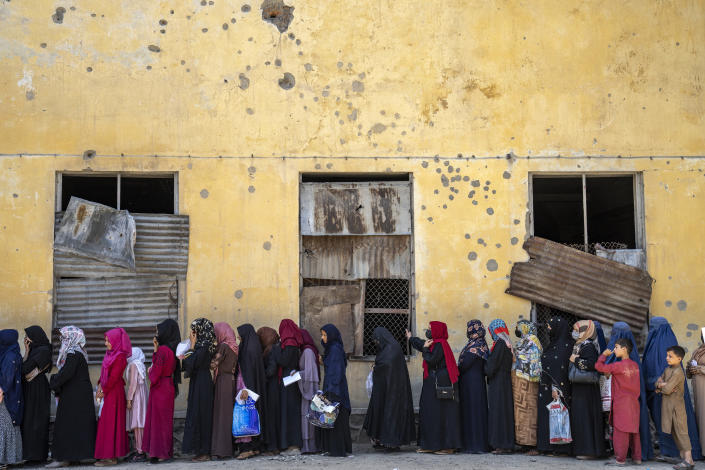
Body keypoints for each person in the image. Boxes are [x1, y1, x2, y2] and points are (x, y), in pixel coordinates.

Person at [643, 317, 702, 461]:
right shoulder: (657, 345)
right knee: (666, 424)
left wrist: (658, 384)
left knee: (678, 426)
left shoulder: (668, 350)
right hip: (658, 394)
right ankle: (669, 452)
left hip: (671, 395)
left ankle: (687, 458)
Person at [406, 321, 462, 454]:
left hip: (440, 384)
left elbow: (431, 359)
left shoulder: (440, 345)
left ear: (437, 331)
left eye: (430, 329)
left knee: (441, 415)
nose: (428, 330)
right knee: (430, 413)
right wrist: (411, 338)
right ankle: (430, 444)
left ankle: (447, 446)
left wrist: (425, 349)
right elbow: (423, 344)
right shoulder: (435, 343)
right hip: (433, 383)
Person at [48, 326, 96, 467]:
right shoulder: (77, 352)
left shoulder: (73, 353)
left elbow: (67, 373)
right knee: (74, 424)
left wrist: (53, 380)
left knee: (67, 424)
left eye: (65, 337)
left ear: (72, 338)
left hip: (75, 395)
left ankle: (63, 458)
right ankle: (72, 456)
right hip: (76, 394)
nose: (62, 340)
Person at [363, 327, 415, 452]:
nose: (377, 343)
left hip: (394, 390)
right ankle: (382, 440)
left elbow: (387, 365)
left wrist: (377, 368)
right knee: (383, 412)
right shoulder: (387, 348)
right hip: (386, 389)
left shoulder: (392, 349)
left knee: (391, 414)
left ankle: (392, 442)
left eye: (377, 340)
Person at [606, 321, 652, 461]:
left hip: (620, 399)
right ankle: (638, 456)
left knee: (621, 428)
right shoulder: (634, 358)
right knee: (635, 427)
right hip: (635, 399)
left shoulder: (615, 355)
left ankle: (621, 458)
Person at [595, 338, 642, 466]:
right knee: (633, 431)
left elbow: (599, 367)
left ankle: (620, 459)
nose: (614, 350)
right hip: (633, 402)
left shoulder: (618, 366)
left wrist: (604, 355)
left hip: (621, 402)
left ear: (624, 349)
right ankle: (637, 458)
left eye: (616, 347)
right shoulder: (635, 365)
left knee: (620, 431)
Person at [143, 320, 179, 463]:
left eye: (158, 332)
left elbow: (153, 376)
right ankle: (166, 453)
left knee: (157, 422)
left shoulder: (163, 350)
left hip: (160, 389)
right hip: (168, 386)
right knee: (165, 422)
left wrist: (155, 352)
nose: (157, 335)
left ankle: (157, 454)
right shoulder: (172, 349)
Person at [536, 316, 574, 455]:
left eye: (550, 327)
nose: (548, 330)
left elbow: (561, 368)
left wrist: (556, 388)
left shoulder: (566, 346)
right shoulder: (552, 345)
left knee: (559, 417)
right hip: (546, 388)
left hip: (558, 389)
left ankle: (561, 448)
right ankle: (546, 446)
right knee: (547, 417)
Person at [94, 328, 131, 466]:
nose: (106, 343)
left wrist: (103, 390)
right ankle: (107, 455)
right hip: (107, 391)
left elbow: (114, 377)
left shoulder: (120, 356)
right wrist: (99, 386)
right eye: (106, 340)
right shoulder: (110, 354)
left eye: (108, 341)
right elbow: (104, 373)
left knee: (111, 423)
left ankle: (112, 457)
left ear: (115, 341)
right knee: (106, 422)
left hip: (114, 393)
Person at [568, 320, 604, 459]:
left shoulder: (588, 346)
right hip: (580, 387)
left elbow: (592, 365)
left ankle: (589, 451)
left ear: (585, 331)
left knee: (585, 418)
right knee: (580, 418)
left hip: (587, 390)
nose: (574, 332)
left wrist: (575, 360)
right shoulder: (579, 345)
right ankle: (582, 449)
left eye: (577, 329)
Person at [181, 318, 216, 462]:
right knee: (197, 414)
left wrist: (192, 345)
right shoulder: (202, 346)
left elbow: (188, 363)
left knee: (202, 416)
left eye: (195, 330)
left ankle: (205, 452)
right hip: (199, 382)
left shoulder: (204, 347)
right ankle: (200, 451)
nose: (192, 333)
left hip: (202, 384)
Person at [655, 346, 695, 470]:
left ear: (679, 358)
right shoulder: (667, 370)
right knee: (675, 432)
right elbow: (657, 384)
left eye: (670, 356)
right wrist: (662, 384)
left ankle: (689, 460)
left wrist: (663, 385)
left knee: (681, 432)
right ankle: (683, 457)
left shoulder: (679, 372)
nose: (667, 358)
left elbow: (666, 390)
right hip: (668, 407)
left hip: (677, 408)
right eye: (667, 355)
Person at [318, 324, 352, 457]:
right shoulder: (331, 349)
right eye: (322, 334)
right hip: (333, 388)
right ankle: (334, 449)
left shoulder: (335, 349)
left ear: (331, 335)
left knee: (335, 420)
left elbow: (336, 372)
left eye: (325, 335)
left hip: (335, 390)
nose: (322, 337)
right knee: (332, 420)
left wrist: (331, 393)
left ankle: (338, 450)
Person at [235, 324, 267, 460]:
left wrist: (245, 390)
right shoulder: (251, 347)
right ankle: (255, 447)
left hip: (246, 389)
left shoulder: (249, 350)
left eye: (240, 334)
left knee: (244, 418)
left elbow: (248, 373)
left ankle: (247, 448)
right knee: (250, 416)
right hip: (248, 388)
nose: (238, 337)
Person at [21, 326, 52, 463]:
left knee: (36, 421)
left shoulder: (43, 350)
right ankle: (29, 455)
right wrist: (27, 351)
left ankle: (37, 456)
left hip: (38, 389)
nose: (26, 339)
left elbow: (25, 368)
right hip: (31, 388)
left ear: (35, 336)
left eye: (28, 336)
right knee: (29, 420)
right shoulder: (35, 350)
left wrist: (26, 357)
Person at [457, 320, 489, 454]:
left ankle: (474, 445)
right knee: (475, 412)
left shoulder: (476, 345)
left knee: (473, 412)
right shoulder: (479, 343)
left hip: (472, 384)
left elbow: (465, 365)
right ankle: (476, 444)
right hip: (474, 383)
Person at [485, 319, 515, 454]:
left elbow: (492, 366)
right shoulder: (507, 343)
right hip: (505, 381)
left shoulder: (500, 344)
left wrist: (485, 368)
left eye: (491, 331)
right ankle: (507, 443)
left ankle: (500, 444)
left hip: (498, 382)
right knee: (505, 412)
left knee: (499, 412)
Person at [512, 319, 541, 454]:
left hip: (529, 381)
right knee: (520, 413)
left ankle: (532, 443)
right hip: (519, 382)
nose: (517, 330)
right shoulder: (523, 341)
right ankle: (523, 442)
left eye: (519, 327)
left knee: (529, 411)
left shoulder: (533, 341)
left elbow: (534, 361)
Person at [210, 322, 238, 460]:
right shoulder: (234, 347)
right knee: (228, 415)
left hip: (223, 382)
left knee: (221, 416)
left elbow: (213, 365)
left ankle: (220, 450)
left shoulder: (223, 346)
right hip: (231, 381)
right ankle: (228, 449)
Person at [277, 319, 303, 453]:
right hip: (292, 380)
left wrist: (276, 351)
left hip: (288, 381)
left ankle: (292, 444)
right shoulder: (294, 343)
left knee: (289, 411)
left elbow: (284, 361)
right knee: (291, 410)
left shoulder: (289, 343)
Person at [0, 330, 23, 469]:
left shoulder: (9, 356)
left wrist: (1, 391)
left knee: (4, 425)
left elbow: (7, 379)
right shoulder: (11, 352)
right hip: (10, 395)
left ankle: (3, 459)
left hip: (7, 397)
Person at [257, 327, 281, 454]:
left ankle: (273, 446)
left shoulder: (271, 350)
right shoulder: (271, 348)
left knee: (271, 417)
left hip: (272, 388)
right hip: (273, 387)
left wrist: (262, 376)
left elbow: (272, 369)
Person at [297, 329, 320, 454]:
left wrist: (297, 374)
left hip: (309, 391)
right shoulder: (307, 350)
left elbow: (309, 375)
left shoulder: (307, 352)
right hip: (309, 390)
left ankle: (310, 446)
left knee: (308, 417)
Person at [126, 347, 148, 462]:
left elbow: (133, 384)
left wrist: (129, 399)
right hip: (141, 394)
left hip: (137, 396)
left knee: (138, 423)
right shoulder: (140, 364)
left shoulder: (134, 365)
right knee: (140, 424)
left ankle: (140, 451)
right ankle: (140, 450)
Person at [687, 327, 705, 455]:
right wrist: (691, 368)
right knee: (701, 418)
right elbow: (689, 372)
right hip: (699, 393)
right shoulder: (697, 352)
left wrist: (701, 369)